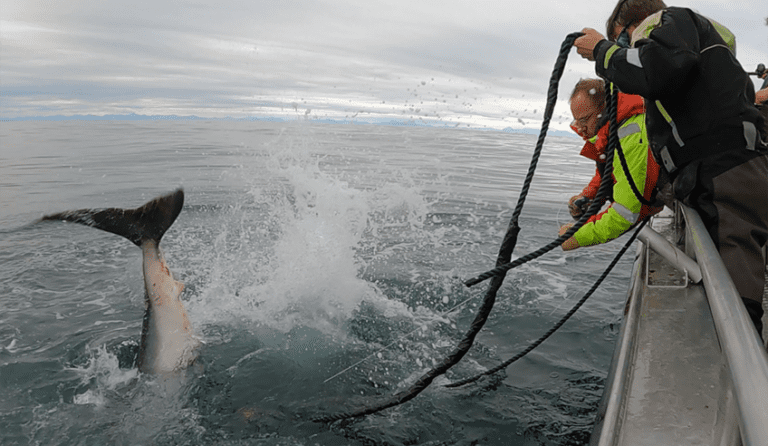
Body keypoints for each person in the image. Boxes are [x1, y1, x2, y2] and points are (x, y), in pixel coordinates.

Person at [573, 0, 768, 337]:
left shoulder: (671, 21)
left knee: (736, 295)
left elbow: (653, 68)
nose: (628, 51)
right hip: (723, 169)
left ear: (638, 23)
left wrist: (603, 52)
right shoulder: (699, 52)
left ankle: (740, 370)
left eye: (624, 41)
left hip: (723, 171)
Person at [560, 78, 663, 250]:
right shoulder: (614, 129)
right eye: (576, 121)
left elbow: (627, 212)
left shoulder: (630, 136)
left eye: (584, 120)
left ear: (604, 109)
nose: (581, 128)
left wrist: (579, 236)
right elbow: (609, 172)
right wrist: (589, 195)